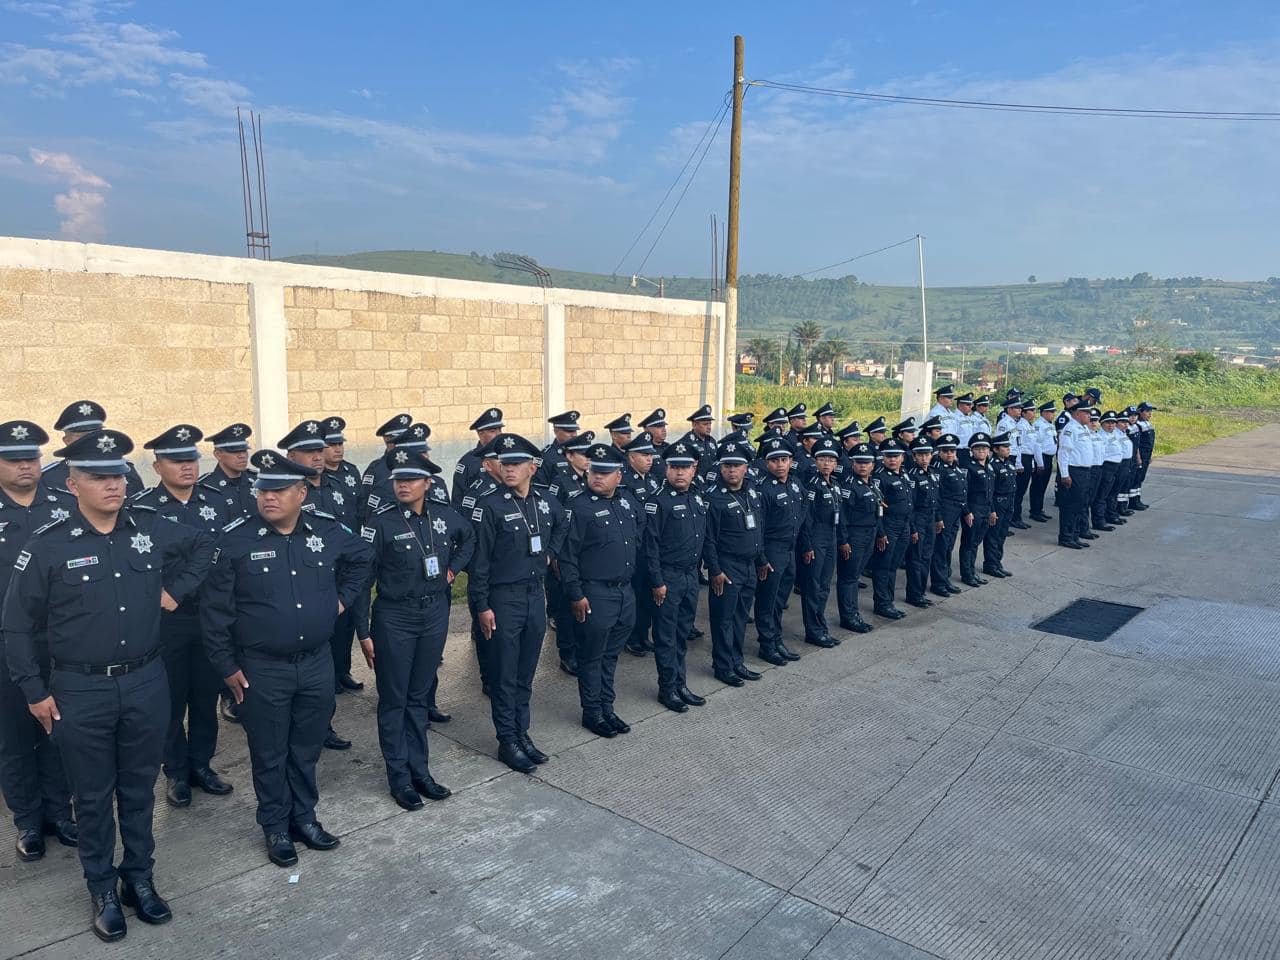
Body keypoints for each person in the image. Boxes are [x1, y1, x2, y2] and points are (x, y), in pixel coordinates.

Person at [4, 428, 213, 942]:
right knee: (94, 799)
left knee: (139, 790)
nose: (113, 485)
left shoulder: (150, 528)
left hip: (146, 681)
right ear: (72, 483)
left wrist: (175, 593)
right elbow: (16, 625)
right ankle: (101, 887)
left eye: (117, 474)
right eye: (98, 477)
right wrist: (34, 690)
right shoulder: (48, 545)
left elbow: (204, 546)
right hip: (81, 691)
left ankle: (138, 879)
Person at [200, 449, 371, 869]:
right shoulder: (235, 539)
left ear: (301, 492)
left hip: (315, 662)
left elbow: (363, 559)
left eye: (279, 489)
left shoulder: (327, 530)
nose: (268, 496)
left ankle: (305, 817)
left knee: (306, 746)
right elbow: (214, 612)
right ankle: (275, 825)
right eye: (263, 488)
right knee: (269, 750)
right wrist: (226, 667)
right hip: (261, 667)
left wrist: (342, 600)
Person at [353, 448, 474, 811]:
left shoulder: (443, 516)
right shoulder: (381, 522)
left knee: (419, 696)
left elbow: (468, 538)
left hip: (434, 613)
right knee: (395, 698)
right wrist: (363, 630)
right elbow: (361, 579)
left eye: (410, 479)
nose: (402, 485)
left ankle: (420, 769)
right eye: (398, 480)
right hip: (395, 616)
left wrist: (452, 569)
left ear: (428, 483)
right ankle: (399, 777)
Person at [130, 425, 233, 809]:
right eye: (176, 460)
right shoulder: (143, 509)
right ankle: (175, 771)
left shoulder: (218, 501)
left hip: (210, 618)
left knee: (205, 698)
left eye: (191, 458)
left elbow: (225, 557)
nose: (187, 467)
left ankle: (201, 765)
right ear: (157, 466)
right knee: (170, 700)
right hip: (166, 622)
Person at [468, 434, 568, 774]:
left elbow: (562, 522)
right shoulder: (490, 505)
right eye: (504, 463)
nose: (508, 469)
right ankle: (506, 739)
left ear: (532, 467)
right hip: (502, 597)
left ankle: (522, 733)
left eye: (515, 464)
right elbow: (479, 562)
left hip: (533, 594)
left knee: (526, 672)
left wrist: (551, 553)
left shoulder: (543, 502)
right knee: (504, 673)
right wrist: (481, 605)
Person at [0, 420, 76, 863]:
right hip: (7, 642)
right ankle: (28, 821)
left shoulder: (64, 505)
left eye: (31, 458)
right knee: (13, 737)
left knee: (57, 730)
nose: (25, 466)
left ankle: (59, 812)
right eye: (14, 460)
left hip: (61, 640)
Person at [558, 443, 641, 739]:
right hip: (595, 594)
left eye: (605, 473)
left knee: (610, 655)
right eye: (594, 471)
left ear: (619, 476)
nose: (597, 477)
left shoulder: (627, 502)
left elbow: (638, 539)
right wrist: (576, 595)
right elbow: (566, 557)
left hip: (624, 593)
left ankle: (607, 706)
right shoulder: (578, 507)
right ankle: (592, 712)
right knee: (592, 656)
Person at [643, 441, 708, 712]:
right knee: (666, 636)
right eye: (674, 467)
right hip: (668, 578)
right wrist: (657, 582)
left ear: (694, 469)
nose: (679, 473)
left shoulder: (696, 496)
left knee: (682, 634)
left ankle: (680, 683)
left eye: (685, 467)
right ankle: (667, 688)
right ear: (666, 469)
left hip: (690, 575)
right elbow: (650, 547)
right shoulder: (658, 501)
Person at [703, 439, 768, 686]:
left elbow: (758, 527)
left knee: (741, 617)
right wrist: (715, 570)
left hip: (749, 565)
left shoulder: (751, 490)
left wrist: (761, 558)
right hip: (727, 568)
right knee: (723, 620)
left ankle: (737, 661)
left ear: (746, 468)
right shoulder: (713, 498)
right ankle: (722, 666)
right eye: (727, 465)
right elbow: (708, 540)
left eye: (737, 465)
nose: (732, 470)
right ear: (720, 468)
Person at [753, 437, 806, 663]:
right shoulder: (762, 489)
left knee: (781, 598)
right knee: (768, 599)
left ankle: (776, 639)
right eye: (774, 460)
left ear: (791, 461)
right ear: (766, 463)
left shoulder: (795, 483)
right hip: (772, 550)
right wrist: (762, 558)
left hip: (789, 549)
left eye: (784, 459)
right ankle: (767, 644)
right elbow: (759, 527)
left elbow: (803, 512)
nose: (780, 464)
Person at [797, 438, 848, 647]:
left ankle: (821, 626)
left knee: (825, 585)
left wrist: (843, 540)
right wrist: (807, 545)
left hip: (831, 537)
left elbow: (840, 515)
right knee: (813, 586)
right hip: (816, 539)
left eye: (830, 460)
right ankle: (813, 630)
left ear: (836, 464)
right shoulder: (812, 486)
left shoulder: (835, 485)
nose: (826, 463)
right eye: (822, 459)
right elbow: (806, 519)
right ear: (815, 461)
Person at [41, 401, 145, 497]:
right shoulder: (50, 478)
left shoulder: (125, 469)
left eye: (96, 435)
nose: (91, 440)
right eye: (83, 436)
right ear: (67, 441)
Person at [621, 431, 661, 657]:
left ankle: (643, 635)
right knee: (635, 596)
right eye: (644, 455)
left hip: (652, 549)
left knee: (647, 596)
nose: (649, 459)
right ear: (630, 457)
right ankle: (632, 637)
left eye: (651, 455)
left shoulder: (654, 480)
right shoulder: (624, 482)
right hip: (636, 549)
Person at [870, 438, 912, 619]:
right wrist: (881, 532)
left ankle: (889, 601)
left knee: (893, 565)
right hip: (889, 526)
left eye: (895, 456)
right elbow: (878, 509)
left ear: (902, 457)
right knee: (883, 566)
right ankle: (882, 603)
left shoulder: (904, 474)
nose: (892, 460)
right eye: (888, 456)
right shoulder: (880, 478)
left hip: (904, 525)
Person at [928, 434, 970, 598]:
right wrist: (938, 517)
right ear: (939, 452)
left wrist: (966, 510)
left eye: (952, 451)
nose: (950, 454)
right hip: (945, 513)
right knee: (940, 549)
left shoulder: (956, 467)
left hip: (956, 512)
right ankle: (938, 583)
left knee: (948, 547)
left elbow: (963, 492)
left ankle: (945, 579)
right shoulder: (938, 469)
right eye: (946, 451)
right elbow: (936, 496)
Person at [904, 437, 942, 607]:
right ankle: (913, 594)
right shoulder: (912, 477)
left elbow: (936, 499)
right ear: (914, 456)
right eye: (920, 455)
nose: (924, 458)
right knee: (916, 558)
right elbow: (910, 506)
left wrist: (938, 518)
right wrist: (913, 528)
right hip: (918, 519)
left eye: (927, 454)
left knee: (927, 556)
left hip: (929, 518)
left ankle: (920, 592)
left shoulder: (933, 473)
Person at [959, 432, 996, 584]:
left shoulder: (989, 467)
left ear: (989, 451)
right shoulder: (968, 468)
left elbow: (991, 492)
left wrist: (992, 510)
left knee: (976, 543)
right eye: (978, 449)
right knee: (968, 542)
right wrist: (967, 512)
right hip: (973, 510)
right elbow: (963, 492)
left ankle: (972, 572)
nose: (981, 451)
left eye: (984, 448)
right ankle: (967, 574)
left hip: (985, 509)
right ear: (972, 451)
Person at [199, 423, 257, 519]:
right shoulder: (204, 487)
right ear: (218, 454)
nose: (242, 456)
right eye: (235, 451)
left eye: (244, 450)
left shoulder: (258, 481)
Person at [1056, 403, 1093, 549]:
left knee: (1080, 505)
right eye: (1086, 413)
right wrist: (1065, 474)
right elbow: (1063, 453)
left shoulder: (1083, 428)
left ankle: (1075, 535)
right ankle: (1066, 537)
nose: (1089, 416)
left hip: (1084, 471)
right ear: (1077, 414)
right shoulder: (1070, 429)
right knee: (1070, 506)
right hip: (1073, 471)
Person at [451, 408, 504, 508]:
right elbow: (457, 499)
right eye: (493, 431)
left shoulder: (507, 455)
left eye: (500, 430)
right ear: (480, 434)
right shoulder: (468, 461)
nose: (498, 434)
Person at [983, 433, 1017, 578]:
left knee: (1002, 534)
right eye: (1004, 447)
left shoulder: (1008, 463)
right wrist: (991, 510)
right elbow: (990, 490)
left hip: (1009, 503)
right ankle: (990, 564)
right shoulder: (992, 465)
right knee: (993, 535)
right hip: (998, 503)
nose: (1008, 449)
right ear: (995, 449)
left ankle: (997, 562)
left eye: (1008, 446)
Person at [1027, 400, 1057, 523]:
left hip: (1048, 458)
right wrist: (1040, 463)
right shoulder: (1039, 425)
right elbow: (1037, 445)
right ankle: (1034, 511)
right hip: (1042, 457)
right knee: (1038, 485)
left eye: (1053, 412)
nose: (1052, 414)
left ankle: (1039, 509)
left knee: (1043, 485)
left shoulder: (1050, 425)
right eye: (1050, 412)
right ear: (1043, 412)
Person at [678, 405, 719, 488]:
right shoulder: (686, 443)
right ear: (694, 425)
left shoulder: (711, 441)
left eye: (710, 424)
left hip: (713, 484)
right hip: (695, 486)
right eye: (705, 424)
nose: (709, 427)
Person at [1132, 401, 1157, 509]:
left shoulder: (1147, 424)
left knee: (1141, 478)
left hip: (1146, 455)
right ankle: (1133, 501)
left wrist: (1150, 456)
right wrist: (1139, 457)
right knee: (1136, 478)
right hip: (1140, 456)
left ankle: (1137, 499)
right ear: (1140, 412)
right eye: (1147, 411)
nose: (1149, 414)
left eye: (1150, 411)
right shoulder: (1137, 425)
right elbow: (1137, 444)